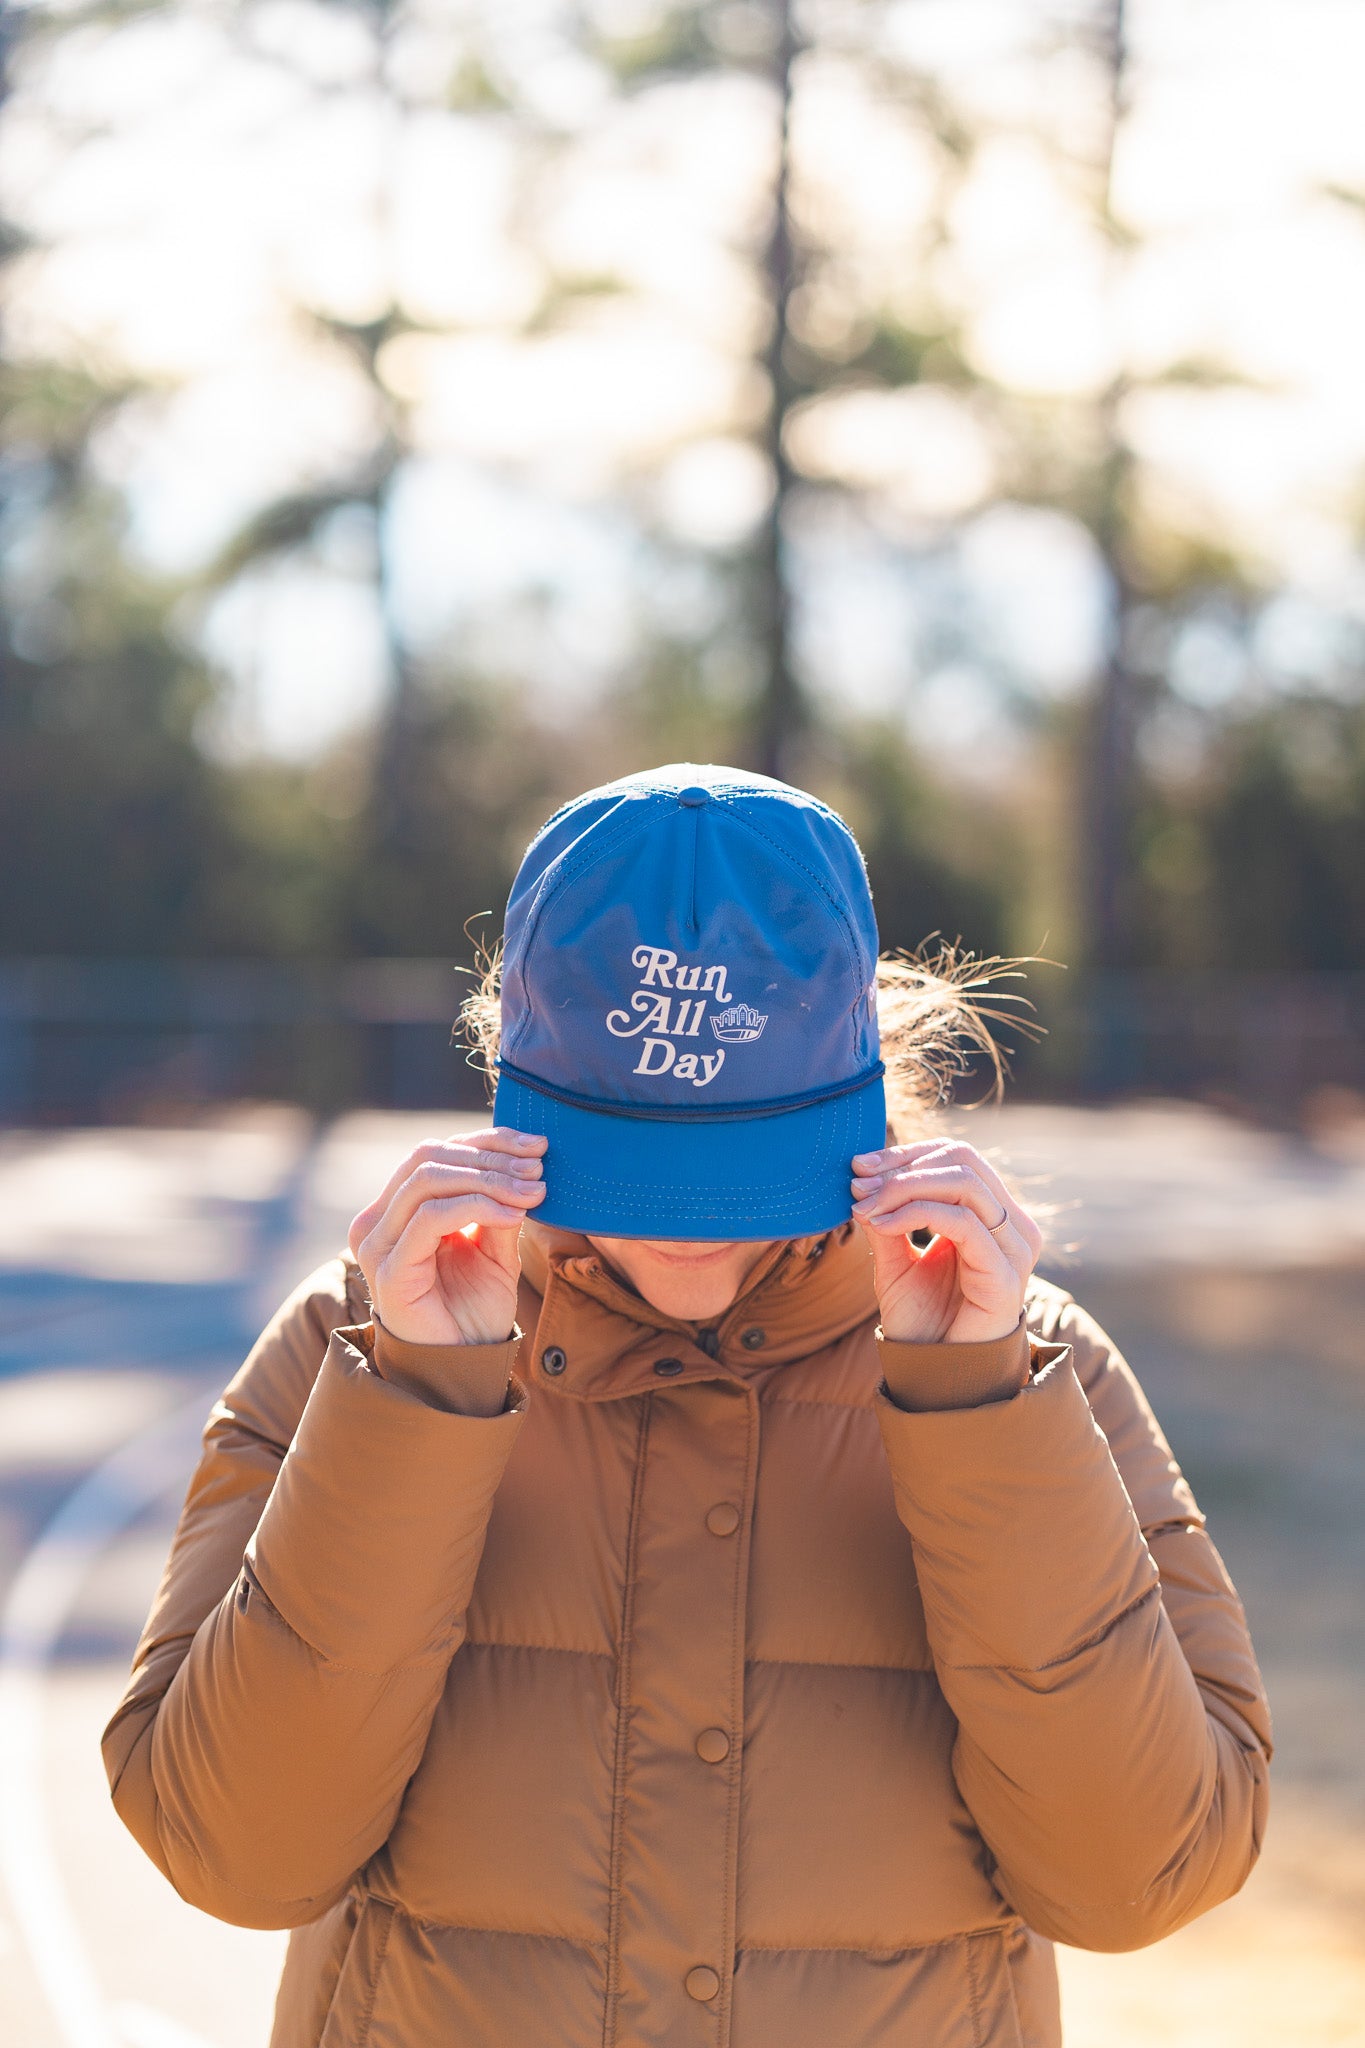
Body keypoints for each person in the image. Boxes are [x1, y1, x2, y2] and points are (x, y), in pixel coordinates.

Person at [104, 764, 1271, 2048]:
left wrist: (978, 1407)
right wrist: (420, 1398)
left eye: (738, 1162)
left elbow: (1137, 1877)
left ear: (864, 1069)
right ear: (514, 1068)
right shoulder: (357, 1344)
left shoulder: (1034, 1370)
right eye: (636, 1154)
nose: (683, 1228)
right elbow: (235, 1852)